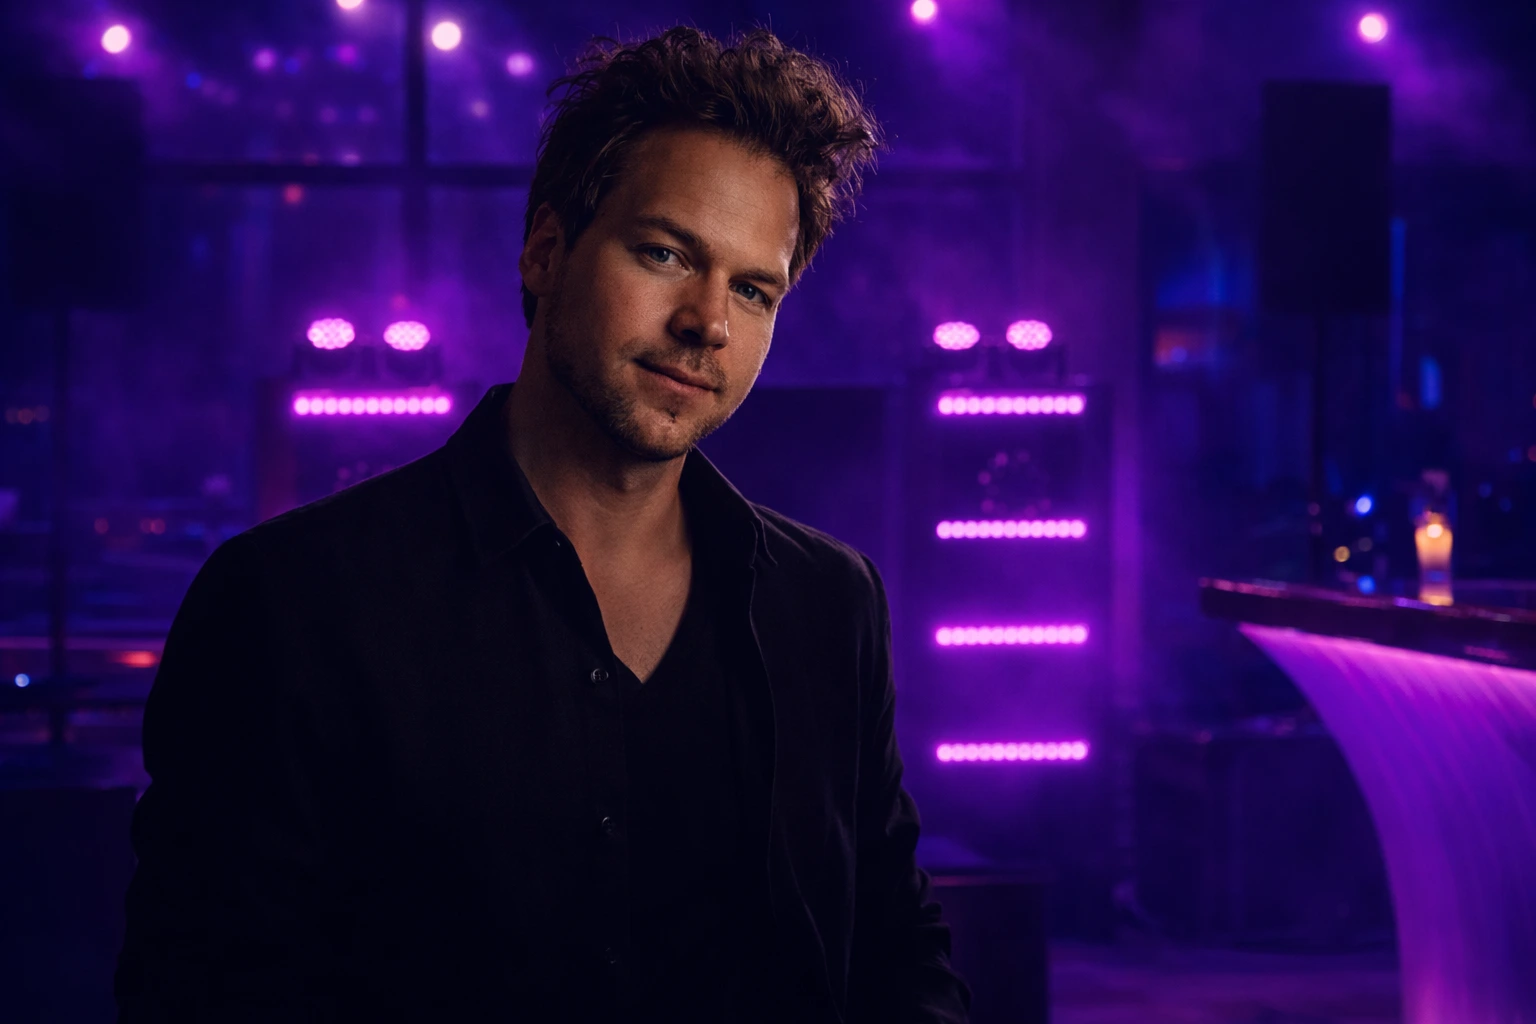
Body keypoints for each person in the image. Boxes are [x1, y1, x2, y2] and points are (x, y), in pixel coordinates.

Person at [116, 26, 970, 1024]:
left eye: (752, 289)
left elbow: (896, 947)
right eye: (665, 253)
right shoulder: (292, 603)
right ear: (547, 252)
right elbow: (203, 991)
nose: (708, 322)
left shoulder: (829, 603)